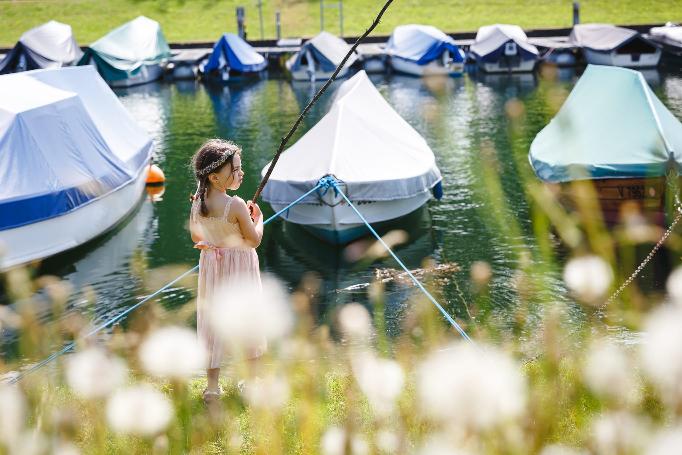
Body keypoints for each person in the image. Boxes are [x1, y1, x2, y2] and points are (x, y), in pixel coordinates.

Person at [188, 138, 264, 404]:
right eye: (236, 169)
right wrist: (258, 220)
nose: (241, 173)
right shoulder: (236, 205)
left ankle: (212, 387)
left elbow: (195, 235)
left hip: (211, 268)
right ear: (215, 177)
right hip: (240, 267)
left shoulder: (197, 202)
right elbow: (253, 241)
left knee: (212, 324)